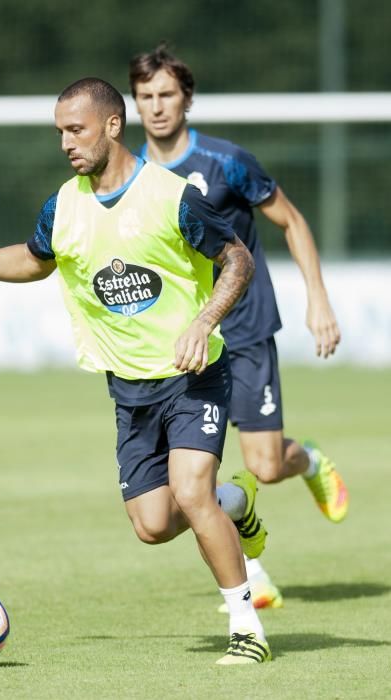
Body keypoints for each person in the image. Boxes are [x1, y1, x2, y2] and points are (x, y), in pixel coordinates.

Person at [0, 78, 272, 665]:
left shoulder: (171, 196)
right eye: (59, 131)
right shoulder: (65, 204)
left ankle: (246, 627)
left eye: (75, 129)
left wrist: (203, 323)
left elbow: (237, 258)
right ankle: (237, 502)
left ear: (112, 125)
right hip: (129, 389)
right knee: (153, 525)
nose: (65, 143)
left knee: (188, 489)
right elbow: (35, 260)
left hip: (193, 375)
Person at [128, 43, 349, 610]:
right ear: (133, 103)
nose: (156, 107)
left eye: (167, 95)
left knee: (265, 465)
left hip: (244, 328)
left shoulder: (228, 162)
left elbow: (293, 221)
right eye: (146, 97)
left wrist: (318, 299)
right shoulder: (131, 177)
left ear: (187, 98)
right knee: (192, 481)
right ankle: (251, 574)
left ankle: (311, 460)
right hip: (182, 343)